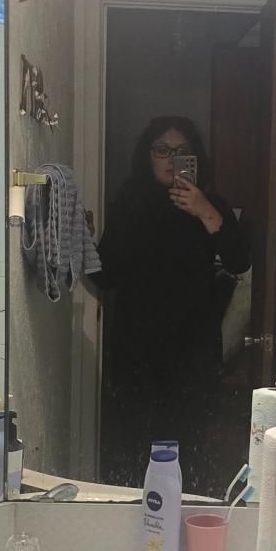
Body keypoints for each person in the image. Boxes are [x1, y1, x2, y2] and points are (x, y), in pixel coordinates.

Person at [93, 116, 251, 495]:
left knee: (189, 451)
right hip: (137, 353)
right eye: (162, 150)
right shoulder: (129, 203)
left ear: (195, 158)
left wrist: (204, 211)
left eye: (181, 152)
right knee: (136, 450)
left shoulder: (212, 207)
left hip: (192, 355)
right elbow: (107, 273)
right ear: (147, 156)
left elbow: (239, 262)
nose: (171, 158)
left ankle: (187, 534)